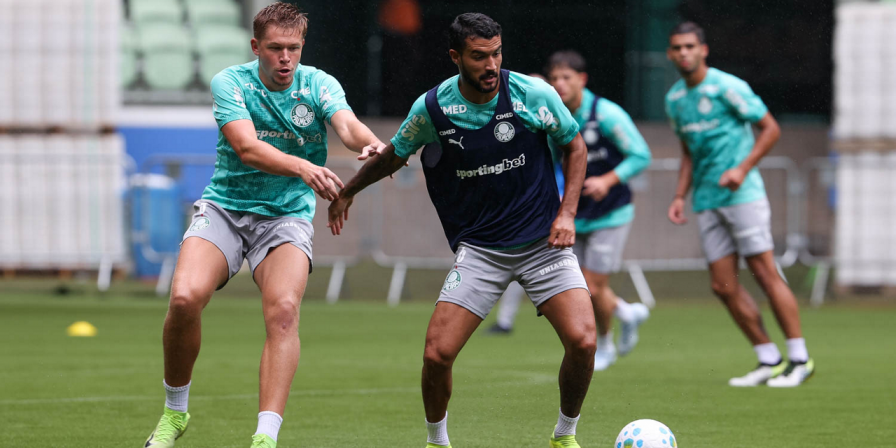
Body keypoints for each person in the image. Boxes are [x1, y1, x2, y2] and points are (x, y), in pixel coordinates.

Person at [328, 13, 597, 448]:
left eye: (496, 54)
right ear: (456, 57)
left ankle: (564, 435)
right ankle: (437, 441)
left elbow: (575, 146)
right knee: (437, 354)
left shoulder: (532, 94)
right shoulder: (432, 108)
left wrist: (566, 215)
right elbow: (395, 155)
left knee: (584, 342)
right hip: (482, 251)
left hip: (544, 245)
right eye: (478, 57)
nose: (491, 65)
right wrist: (347, 191)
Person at [143, 3, 387, 447]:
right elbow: (246, 147)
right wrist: (302, 167)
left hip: (285, 217)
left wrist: (372, 145)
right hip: (226, 209)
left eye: (293, 48)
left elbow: (346, 126)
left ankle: (264, 437)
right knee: (183, 299)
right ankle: (174, 414)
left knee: (283, 312)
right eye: (275, 49)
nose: (285, 59)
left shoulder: (318, 84)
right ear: (256, 47)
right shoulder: (231, 82)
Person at [664, 22, 814, 387]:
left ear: (703, 50)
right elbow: (688, 152)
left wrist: (742, 169)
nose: (683, 53)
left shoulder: (728, 87)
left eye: (689, 46)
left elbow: (771, 128)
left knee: (764, 273)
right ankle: (768, 358)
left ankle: (800, 358)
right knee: (722, 285)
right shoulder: (674, 100)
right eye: (676, 48)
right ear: (670, 54)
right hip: (707, 200)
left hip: (743, 195)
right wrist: (680, 195)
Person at [488, 52, 652, 373]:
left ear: (582, 80)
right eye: (555, 79)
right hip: (572, 215)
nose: (560, 84)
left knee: (591, 285)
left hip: (611, 214)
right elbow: (552, 163)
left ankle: (605, 345)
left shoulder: (606, 114)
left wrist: (608, 179)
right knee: (579, 285)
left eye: (567, 78)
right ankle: (626, 313)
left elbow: (640, 154)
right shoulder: (550, 114)